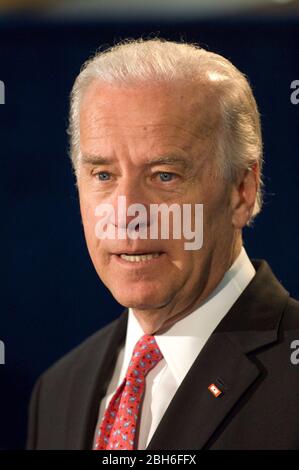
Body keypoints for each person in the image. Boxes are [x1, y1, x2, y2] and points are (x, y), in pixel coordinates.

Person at [26, 38, 299, 450]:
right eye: (103, 175)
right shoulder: (59, 390)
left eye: (164, 175)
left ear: (242, 190)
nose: (127, 213)